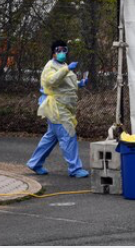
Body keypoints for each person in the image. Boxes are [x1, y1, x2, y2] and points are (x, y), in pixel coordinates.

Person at [26, 40, 89, 178]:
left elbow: (67, 84)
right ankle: (75, 168)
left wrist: (80, 83)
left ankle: (35, 163)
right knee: (69, 135)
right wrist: (66, 70)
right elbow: (51, 81)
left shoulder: (63, 65)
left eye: (64, 50)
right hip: (57, 108)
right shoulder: (51, 66)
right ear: (53, 52)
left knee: (51, 137)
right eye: (58, 50)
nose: (61, 53)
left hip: (64, 107)